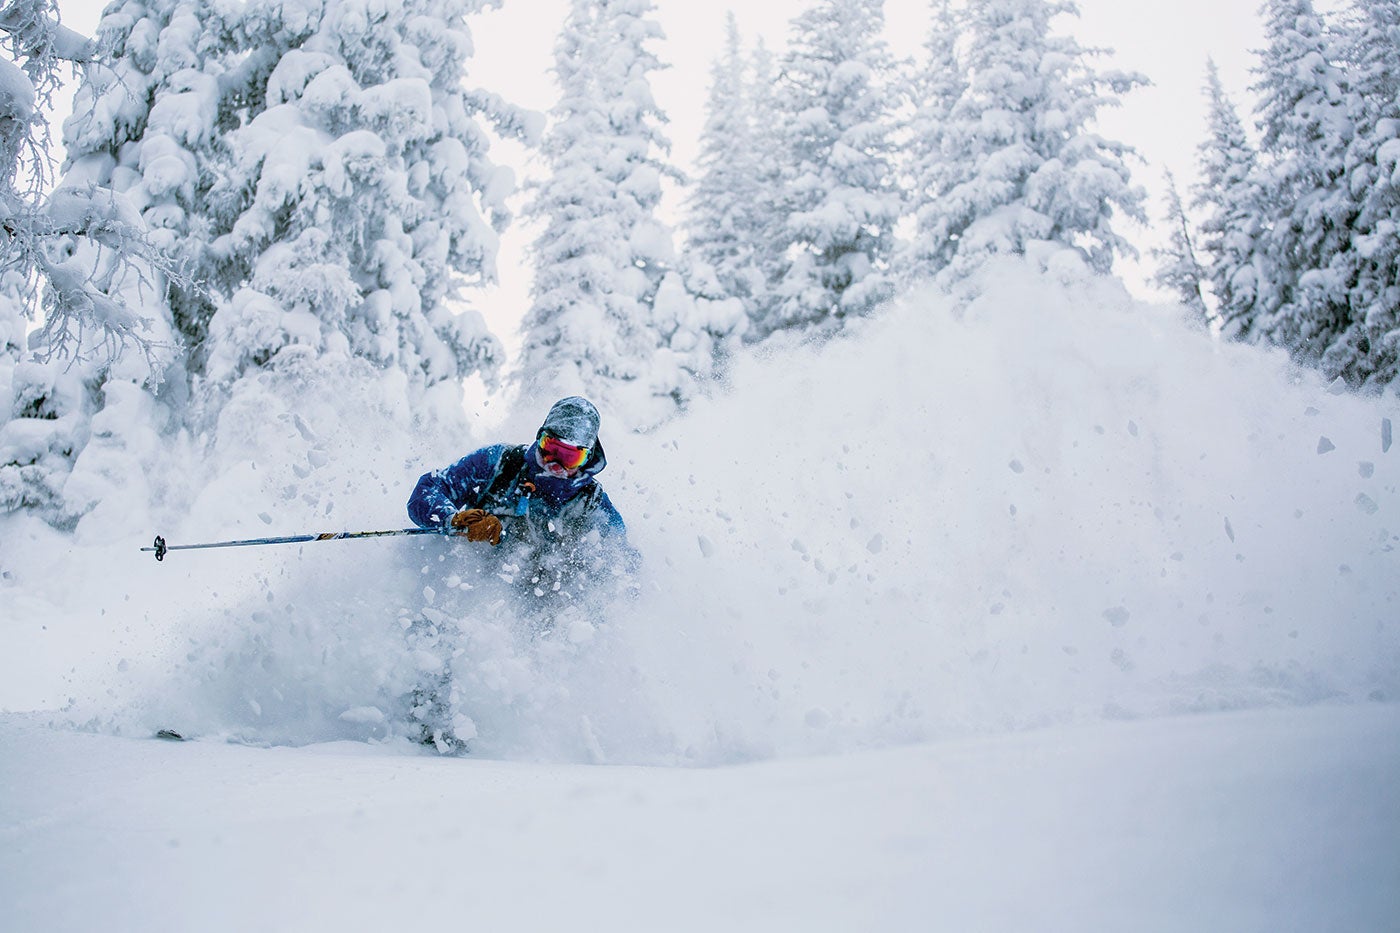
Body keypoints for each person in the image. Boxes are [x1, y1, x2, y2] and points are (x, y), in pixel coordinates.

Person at [407, 396, 637, 605]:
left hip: (542, 613)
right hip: (466, 590)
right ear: (539, 438)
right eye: (551, 448)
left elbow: (622, 561)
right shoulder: (499, 463)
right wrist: (454, 518)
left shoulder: (592, 503)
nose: (555, 465)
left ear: (587, 457)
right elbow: (430, 488)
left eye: (570, 457)